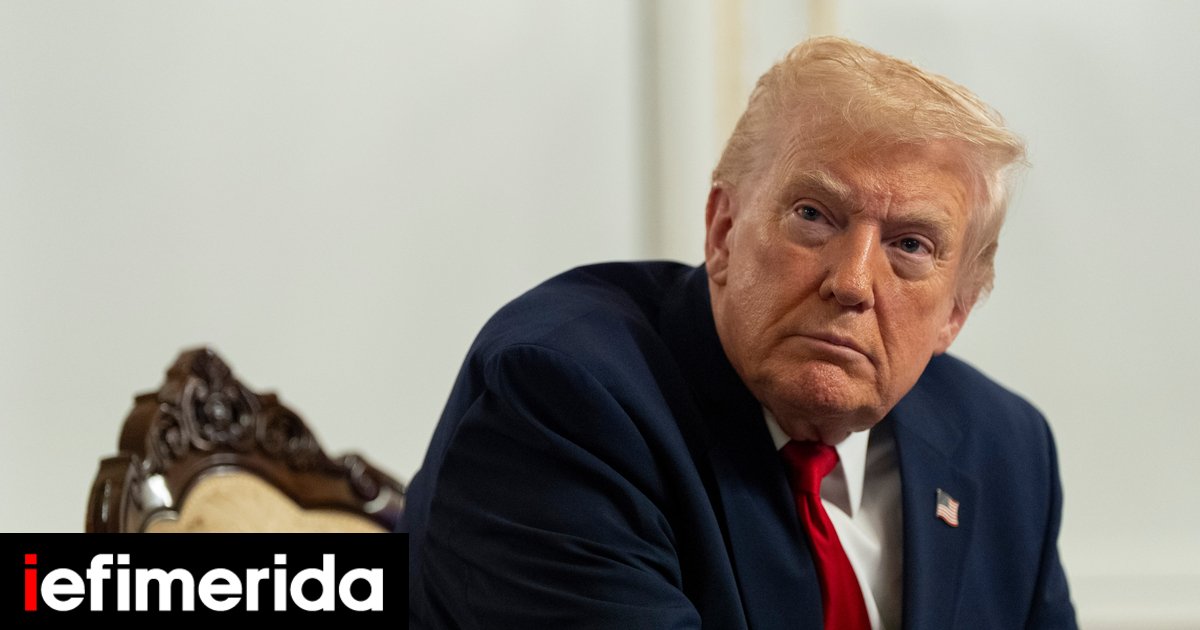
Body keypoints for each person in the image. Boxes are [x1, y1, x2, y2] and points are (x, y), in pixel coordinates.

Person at [401, 36, 1077, 629]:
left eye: (910, 246)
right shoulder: (563, 398)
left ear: (957, 311)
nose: (853, 282)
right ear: (723, 230)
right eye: (814, 215)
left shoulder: (1005, 450)